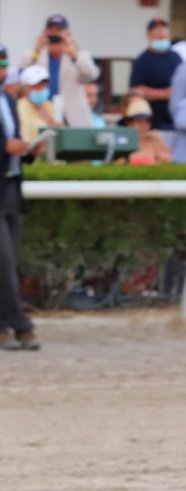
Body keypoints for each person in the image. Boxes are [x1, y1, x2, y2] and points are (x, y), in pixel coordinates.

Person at [0, 50, 43, 351]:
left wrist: (27, 150)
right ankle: (21, 324)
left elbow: (13, 141)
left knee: (8, 262)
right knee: (3, 260)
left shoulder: (10, 100)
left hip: (11, 187)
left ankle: (3, 325)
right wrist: (6, 147)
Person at [20, 14, 99, 128]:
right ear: (45, 33)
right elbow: (22, 72)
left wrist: (74, 56)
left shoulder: (78, 56)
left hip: (72, 118)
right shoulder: (38, 54)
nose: (55, 35)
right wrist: (36, 51)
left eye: (59, 30)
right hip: (44, 116)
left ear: (67, 34)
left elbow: (91, 75)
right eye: (51, 30)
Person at [129, 16, 182, 131]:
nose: (162, 39)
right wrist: (164, 93)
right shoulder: (142, 61)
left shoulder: (176, 57)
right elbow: (136, 91)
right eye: (158, 36)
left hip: (176, 119)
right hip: (154, 122)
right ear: (149, 36)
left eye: (164, 36)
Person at [119, 97, 172, 165]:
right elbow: (117, 163)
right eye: (139, 122)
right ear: (129, 123)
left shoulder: (155, 141)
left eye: (146, 122)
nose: (143, 126)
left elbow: (167, 160)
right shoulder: (122, 141)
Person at [16, 67, 59, 144]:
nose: (41, 89)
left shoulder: (50, 105)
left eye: (44, 85)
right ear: (25, 88)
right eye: (37, 86)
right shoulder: (19, 106)